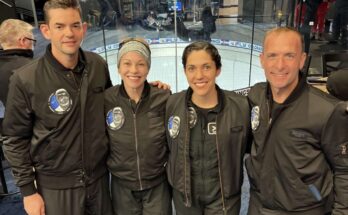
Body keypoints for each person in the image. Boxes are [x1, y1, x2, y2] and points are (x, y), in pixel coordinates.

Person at [2, 0, 113, 215]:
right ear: (46, 31)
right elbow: (14, 139)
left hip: (99, 182)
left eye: (75, 25)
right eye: (60, 26)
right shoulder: (25, 79)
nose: (69, 33)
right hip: (56, 188)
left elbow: (111, 105)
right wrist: (28, 192)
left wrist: (146, 90)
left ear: (83, 28)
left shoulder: (98, 64)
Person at [246, 27, 348, 214]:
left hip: (305, 210)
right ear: (262, 60)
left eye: (289, 56)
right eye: (272, 55)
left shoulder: (328, 111)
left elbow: (344, 171)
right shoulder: (255, 96)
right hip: (258, 206)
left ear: (302, 60)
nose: (279, 65)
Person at [166, 41, 250, 214]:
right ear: (184, 71)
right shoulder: (171, 103)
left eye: (206, 67)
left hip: (224, 200)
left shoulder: (241, 107)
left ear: (217, 69)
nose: (199, 75)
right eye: (191, 68)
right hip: (185, 199)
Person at [104, 38, 172, 214]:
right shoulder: (106, 99)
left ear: (148, 68)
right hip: (122, 186)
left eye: (140, 64)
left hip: (157, 184)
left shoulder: (163, 98)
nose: (133, 70)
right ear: (118, 67)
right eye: (127, 63)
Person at [0, 19, 35, 133]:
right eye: (33, 41)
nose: (33, 44)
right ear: (23, 41)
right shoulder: (32, 68)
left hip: (15, 129)